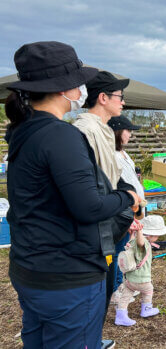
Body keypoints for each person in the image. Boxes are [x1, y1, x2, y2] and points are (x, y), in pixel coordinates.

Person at [4, 41, 140, 349]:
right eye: (78, 79)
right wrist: (128, 198)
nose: (82, 87)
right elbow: (89, 206)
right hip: (67, 276)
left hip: (30, 268)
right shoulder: (61, 135)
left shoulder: (22, 131)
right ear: (63, 87)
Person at [73, 71, 132, 349]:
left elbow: (111, 177)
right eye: (120, 97)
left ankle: (93, 340)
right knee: (95, 289)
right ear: (103, 97)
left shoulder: (104, 130)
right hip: (97, 223)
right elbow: (92, 186)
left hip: (109, 219)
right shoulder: (84, 130)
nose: (123, 102)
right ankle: (87, 342)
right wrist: (124, 199)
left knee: (105, 286)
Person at [108, 115, 145, 303]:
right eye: (128, 130)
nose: (130, 134)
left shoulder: (123, 153)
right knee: (117, 251)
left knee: (125, 248)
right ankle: (115, 290)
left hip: (133, 208)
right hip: (123, 210)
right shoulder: (111, 155)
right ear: (117, 132)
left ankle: (121, 283)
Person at [115, 215, 166, 326]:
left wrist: (133, 233)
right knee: (148, 290)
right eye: (157, 236)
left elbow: (132, 242)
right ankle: (146, 309)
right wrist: (139, 231)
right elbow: (141, 243)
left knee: (126, 295)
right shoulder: (143, 243)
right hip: (141, 279)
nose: (157, 238)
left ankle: (120, 315)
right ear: (151, 235)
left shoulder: (132, 240)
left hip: (129, 278)